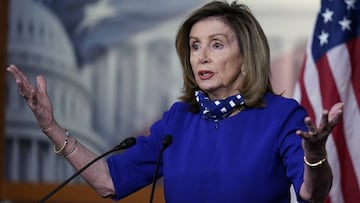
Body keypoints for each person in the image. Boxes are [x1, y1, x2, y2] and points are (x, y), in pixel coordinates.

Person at [7, 1, 344, 202]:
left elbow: (311, 194)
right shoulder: (178, 120)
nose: (201, 57)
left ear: (246, 56)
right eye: (195, 46)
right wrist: (51, 127)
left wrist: (314, 157)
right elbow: (108, 181)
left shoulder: (281, 117)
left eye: (216, 44)